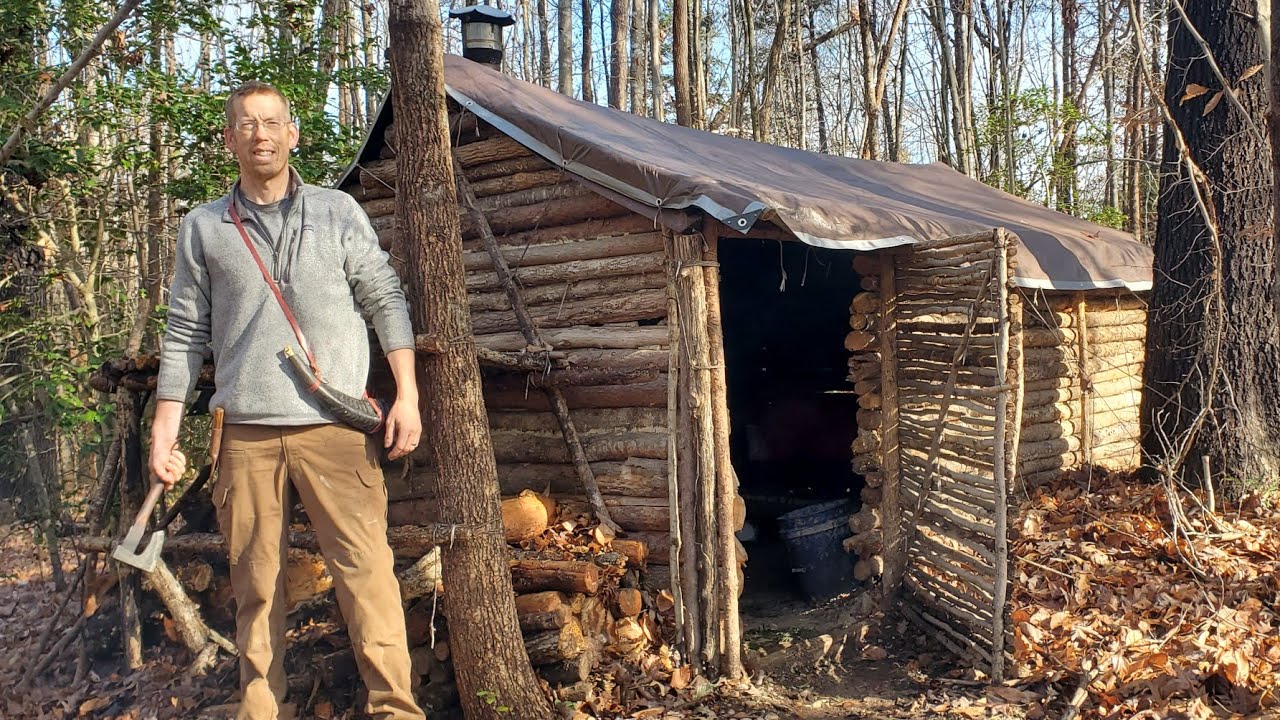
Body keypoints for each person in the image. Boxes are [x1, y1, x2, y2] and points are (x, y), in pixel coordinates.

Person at [150, 81, 427, 720]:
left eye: (272, 122)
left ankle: (394, 710)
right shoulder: (204, 227)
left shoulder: (337, 212)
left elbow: (384, 297)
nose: (261, 134)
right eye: (248, 124)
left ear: (292, 134)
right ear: (230, 138)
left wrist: (407, 394)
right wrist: (165, 429)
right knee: (255, 589)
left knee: (367, 577)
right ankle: (260, 709)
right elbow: (185, 331)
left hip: (336, 429)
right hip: (245, 435)